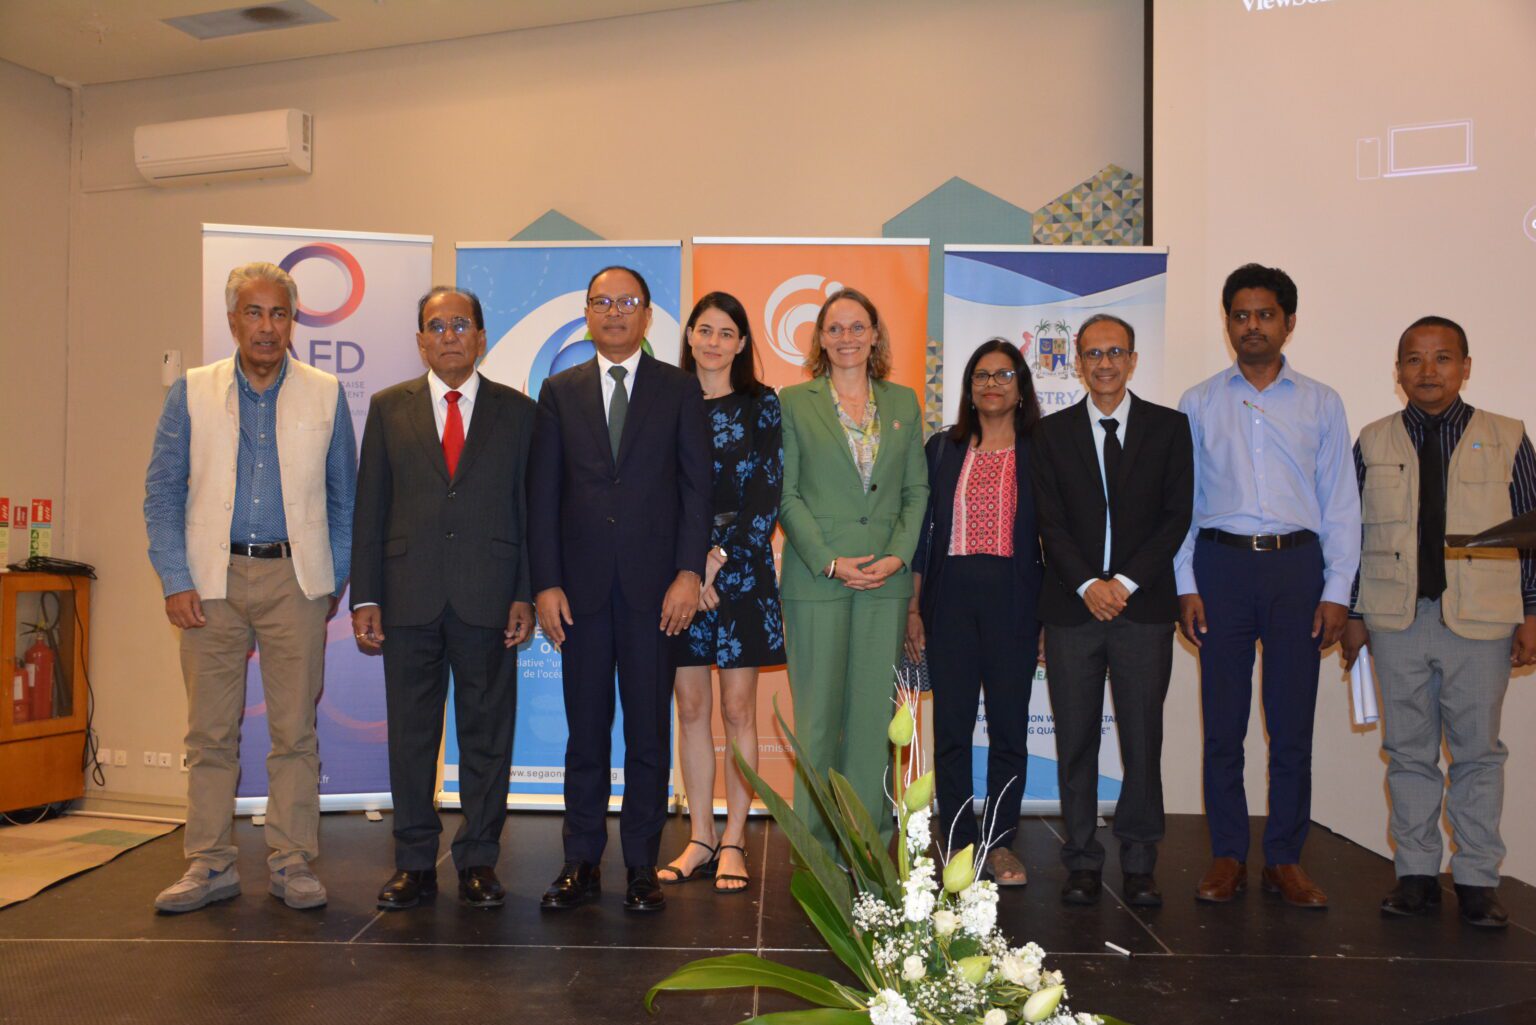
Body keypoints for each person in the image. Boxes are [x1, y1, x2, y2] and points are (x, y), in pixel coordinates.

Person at [144, 261, 355, 913]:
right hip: (209, 581)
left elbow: (345, 499)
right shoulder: (191, 391)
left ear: (293, 322)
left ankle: (292, 860)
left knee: (295, 731)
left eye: (279, 314)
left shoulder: (326, 392)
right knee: (209, 732)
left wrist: (329, 579)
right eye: (255, 313)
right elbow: (161, 492)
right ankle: (209, 862)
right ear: (233, 320)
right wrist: (175, 578)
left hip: (296, 580)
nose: (267, 327)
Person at [1175, 263, 1360, 908]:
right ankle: (1228, 854)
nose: (1252, 325)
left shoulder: (1322, 402)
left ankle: (1284, 857)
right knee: (1223, 726)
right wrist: (1185, 582)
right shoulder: (1198, 402)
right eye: (1240, 315)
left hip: (1296, 570)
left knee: (1291, 725)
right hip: (1220, 569)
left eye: (1265, 314)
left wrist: (1337, 591)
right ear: (1227, 323)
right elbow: (1182, 503)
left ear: (1288, 322)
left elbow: (1341, 504)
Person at [1342, 316, 1536, 929]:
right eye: (1414, 359)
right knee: (1407, 754)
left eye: (1442, 358)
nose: (1428, 371)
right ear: (1398, 370)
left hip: (1482, 621)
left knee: (1478, 754)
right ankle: (1416, 875)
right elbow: (1350, 536)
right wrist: (1353, 613)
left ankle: (1477, 880)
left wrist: (1532, 613)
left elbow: (1530, 532)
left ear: (1466, 367)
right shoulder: (1372, 441)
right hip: (1397, 619)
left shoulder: (1508, 436)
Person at [529, 266, 712, 913]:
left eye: (626, 301)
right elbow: (542, 495)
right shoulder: (559, 391)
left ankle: (640, 864)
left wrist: (689, 572)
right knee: (585, 732)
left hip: (655, 592)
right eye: (602, 302)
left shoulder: (678, 389)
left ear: (647, 315)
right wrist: (545, 582)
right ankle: (580, 861)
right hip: (578, 593)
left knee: (647, 734)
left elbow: (697, 489)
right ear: (587, 313)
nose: (614, 312)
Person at [350, 287, 537, 911]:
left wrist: (524, 591)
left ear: (481, 337)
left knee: (486, 737)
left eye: (461, 324)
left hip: (491, 597)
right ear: (420, 341)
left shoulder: (519, 412)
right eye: (437, 325)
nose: (450, 334)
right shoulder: (388, 408)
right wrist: (366, 595)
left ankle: (479, 860)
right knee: (411, 738)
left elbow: (530, 510)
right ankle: (413, 863)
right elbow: (370, 507)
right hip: (407, 598)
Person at [1030, 314, 1192, 908]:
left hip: (1142, 610)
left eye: (1115, 352)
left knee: (1142, 740)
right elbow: (1048, 522)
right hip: (1072, 611)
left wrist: (1121, 583)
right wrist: (1086, 586)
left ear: (1133, 360)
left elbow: (1175, 517)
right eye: (1093, 354)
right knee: (1075, 741)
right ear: (1078, 363)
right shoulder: (1049, 434)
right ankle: (1081, 858)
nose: (1104, 363)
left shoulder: (1169, 428)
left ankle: (1140, 862)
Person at [779, 288, 929, 853]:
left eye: (858, 326)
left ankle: (868, 846)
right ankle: (815, 850)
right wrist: (830, 561)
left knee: (872, 720)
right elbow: (786, 495)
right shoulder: (793, 402)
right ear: (820, 338)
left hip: (885, 581)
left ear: (875, 335)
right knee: (817, 721)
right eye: (835, 328)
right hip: (817, 580)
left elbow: (916, 490)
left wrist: (897, 555)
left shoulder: (903, 401)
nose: (847, 337)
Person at [658, 292, 784, 895]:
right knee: (689, 708)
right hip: (679, 576)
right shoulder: (666, 400)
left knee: (737, 710)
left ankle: (735, 838)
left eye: (726, 332)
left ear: (742, 343)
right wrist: (688, 567)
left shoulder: (763, 404)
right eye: (704, 330)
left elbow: (766, 494)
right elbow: (654, 494)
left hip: (741, 572)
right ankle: (701, 837)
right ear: (689, 336)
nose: (713, 342)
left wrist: (714, 563)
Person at [904, 339, 1041, 886]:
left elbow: (1054, 536)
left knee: (1008, 729)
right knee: (953, 728)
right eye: (981, 375)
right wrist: (914, 607)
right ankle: (959, 841)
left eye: (1003, 375)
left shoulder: (1041, 449)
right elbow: (921, 534)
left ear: (1021, 386)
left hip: (1015, 599)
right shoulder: (943, 448)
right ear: (968, 387)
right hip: (951, 599)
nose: (991, 384)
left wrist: (1048, 618)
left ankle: (1000, 843)